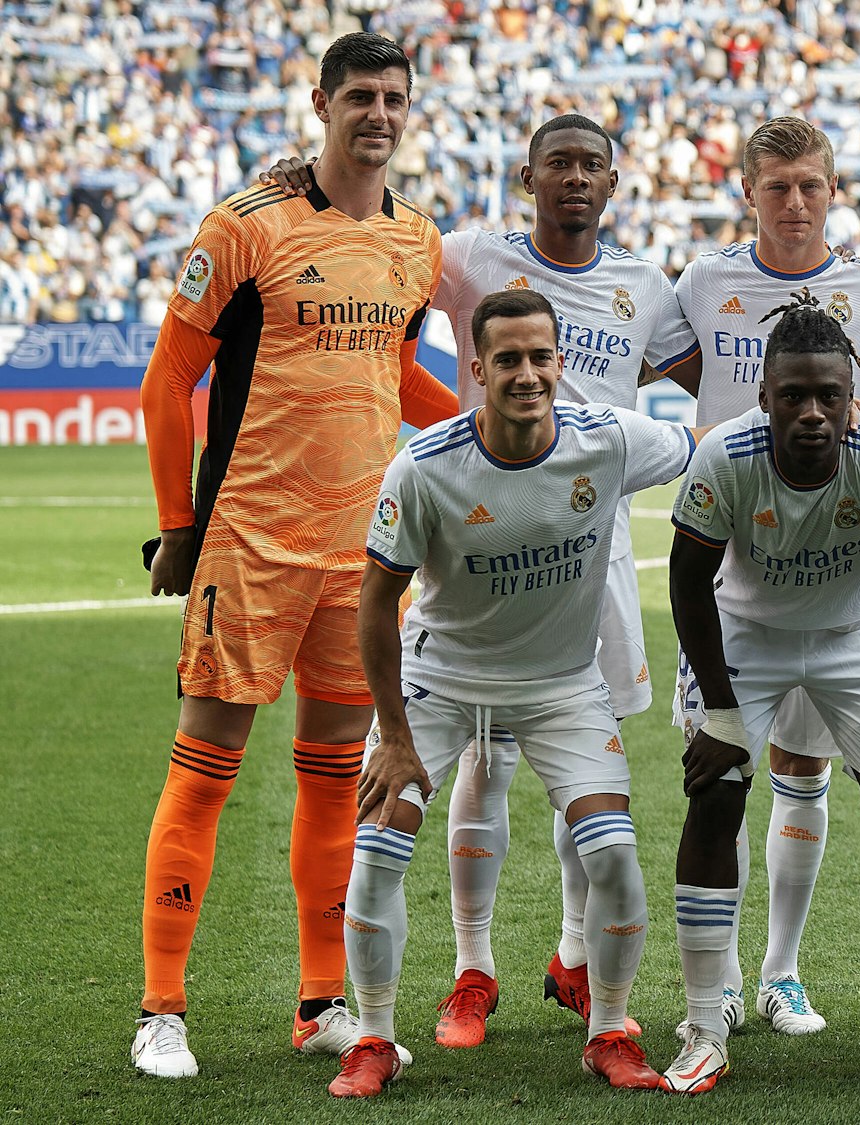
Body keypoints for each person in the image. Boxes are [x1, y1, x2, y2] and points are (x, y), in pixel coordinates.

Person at [262, 111, 702, 1047]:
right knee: (485, 763)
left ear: (614, 184)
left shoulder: (645, 287)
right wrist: (308, 183)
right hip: (478, 536)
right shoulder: (465, 255)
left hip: (596, 551)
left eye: (592, 166)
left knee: (578, 756)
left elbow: (713, 387)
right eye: (558, 165)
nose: (575, 179)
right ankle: (473, 967)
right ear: (526, 177)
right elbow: (369, 264)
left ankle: (576, 957)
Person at [131, 31, 459, 1080]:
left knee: (335, 783)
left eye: (394, 97)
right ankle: (163, 1010)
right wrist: (180, 528)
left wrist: (487, 428)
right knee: (204, 773)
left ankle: (321, 1002)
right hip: (249, 543)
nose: (378, 113)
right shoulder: (243, 227)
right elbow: (166, 379)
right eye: (358, 95)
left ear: (410, 111)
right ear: (320, 103)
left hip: (361, 555)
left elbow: (392, 379)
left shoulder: (419, 240)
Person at [333, 287, 700, 1096]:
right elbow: (373, 599)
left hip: (562, 685)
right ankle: (374, 1038)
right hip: (439, 681)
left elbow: (707, 443)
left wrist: (817, 416)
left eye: (540, 357)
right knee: (378, 849)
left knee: (611, 853)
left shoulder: (606, 440)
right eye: (508, 360)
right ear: (477, 369)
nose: (526, 374)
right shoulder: (425, 466)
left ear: (561, 364)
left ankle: (608, 1031)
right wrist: (392, 735)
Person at [666, 115, 860, 1037]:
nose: (794, 201)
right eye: (776, 185)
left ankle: (782, 971)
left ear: (834, 190)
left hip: (842, 598)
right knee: (724, 776)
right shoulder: (706, 281)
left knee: (817, 776)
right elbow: (654, 360)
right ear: (748, 191)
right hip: (742, 562)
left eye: (810, 185)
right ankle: (713, 1002)